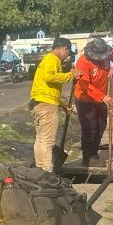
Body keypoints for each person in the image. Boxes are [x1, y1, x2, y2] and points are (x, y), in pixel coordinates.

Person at [74, 38, 113, 166]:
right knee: (90, 128)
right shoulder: (83, 61)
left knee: (101, 126)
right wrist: (102, 97)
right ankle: (88, 157)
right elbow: (84, 85)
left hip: (102, 97)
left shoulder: (108, 52)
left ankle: (94, 152)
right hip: (85, 99)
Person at [29, 37, 75, 171]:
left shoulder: (47, 59)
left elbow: (50, 90)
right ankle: (48, 171)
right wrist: (70, 75)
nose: (67, 56)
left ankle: (40, 169)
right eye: (67, 53)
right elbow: (50, 77)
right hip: (46, 106)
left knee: (41, 139)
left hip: (39, 103)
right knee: (48, 141)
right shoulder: (52, 59)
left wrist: (63, 105)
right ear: (64, 49)